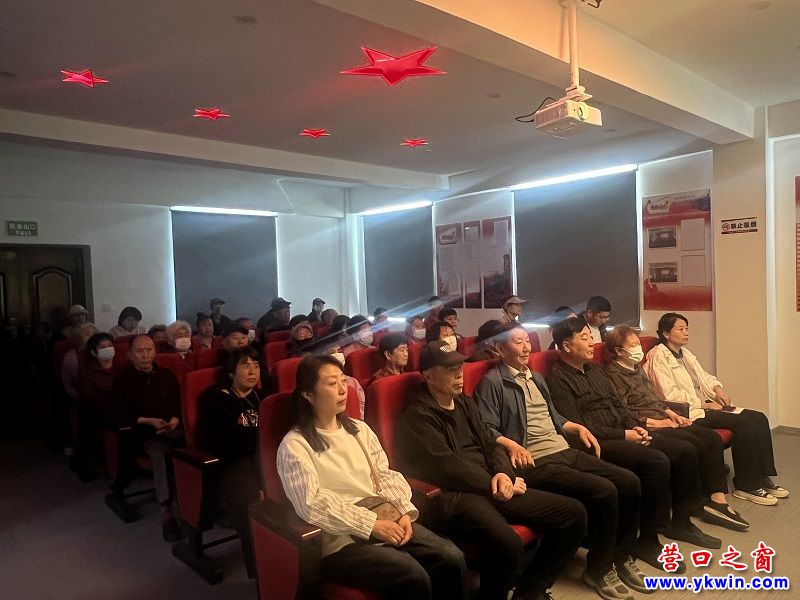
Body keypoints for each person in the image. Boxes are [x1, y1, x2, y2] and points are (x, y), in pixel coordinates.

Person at [397, 341, 588, 600]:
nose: (459, 374)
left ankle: (530, 590)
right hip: (456, 495)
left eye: (460, 367)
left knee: (573, 514)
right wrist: (492, 482)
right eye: (450, 370)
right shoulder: (417, 415)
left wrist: (503, 473)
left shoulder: (464, 402)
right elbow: (446, 467)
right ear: (429, 376)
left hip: (491, 482)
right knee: (508, 545)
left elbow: (491, 442)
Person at [475, 323, 649, 600]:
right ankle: (600, 568)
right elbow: (486, 428)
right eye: (518, 342)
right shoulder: (493, 383)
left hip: (563, 449)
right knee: (605, 491)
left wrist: (575, 426)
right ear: (499, 348)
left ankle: (621, 556)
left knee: (629, 482)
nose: (526, 347)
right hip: (536, 460)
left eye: (527, 341)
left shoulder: (535, 377)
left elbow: (553, 416)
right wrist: (512, 444)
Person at [277, 355, 467, 600]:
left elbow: (384, 474)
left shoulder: (359, 430)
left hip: (382, 517)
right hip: (339, 540)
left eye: (343, 381)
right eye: (332, 383)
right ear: (308, 394)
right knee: (412, 575)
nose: (343, 389)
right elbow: (311, 503)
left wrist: (404, 512)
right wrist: (371, 525)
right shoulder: (295, 445)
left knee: (451, 556)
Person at [548, 317, 717, 569]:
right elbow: (578, 425)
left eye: (591, 336)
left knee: (683, 450)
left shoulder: (594, 370)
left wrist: (635, 425)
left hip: (624, 430)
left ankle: (681, 521)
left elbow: (618, 404)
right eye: (584, 338)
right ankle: (648, 539)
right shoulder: (558, 378)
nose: (592, 342)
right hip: (599, 441)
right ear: (566, 346)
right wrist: (624, 435)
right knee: (655, 462)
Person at [605, 326, 749, 531]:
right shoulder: (613, 375)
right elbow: (625, 412)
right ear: (619, 351)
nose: (639, 349)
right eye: (634, 345)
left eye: (638, 343)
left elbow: (654, 399)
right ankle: (696, 504)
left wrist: (672, 414)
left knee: (710, 437)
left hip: (663, 417)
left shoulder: (636, 367)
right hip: (648, 425)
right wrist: (660, 423)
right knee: (692, 445)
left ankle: (717, 499)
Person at [645, 312, 788, 505]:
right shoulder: (658, 356)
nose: (686, 332)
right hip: (690, 412)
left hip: (704, 407)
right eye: (681, 329)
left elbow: (705, 377)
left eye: (687, 328)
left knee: (759, 418)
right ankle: (746, 485)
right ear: (666, 333)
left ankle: (761, 476)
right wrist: (704, 404)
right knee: (745, 424)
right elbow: (669, 395)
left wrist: (718, 389)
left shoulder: (685, 354)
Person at [110, 334, 183, 541]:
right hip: (143, 434)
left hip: (173, 429)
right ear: (130, 355)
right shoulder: (123, 380)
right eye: (140, 351)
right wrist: (148, 421)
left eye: (149, 350)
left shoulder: (166, 375)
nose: (145, 355)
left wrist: (175, 420)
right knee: (161, 453)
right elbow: (117, 413)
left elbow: (179, 402)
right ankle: (166, 510)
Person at [196, 346, 263, 570]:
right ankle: (256, 564)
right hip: (230, 464)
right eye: (245, 366)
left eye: (256, 366)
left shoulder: (261, 397)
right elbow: (219, 442)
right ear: (231, 372)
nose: (252, 371)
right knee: (246, 492)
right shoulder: (216, 400)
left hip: (259, 459)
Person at [72, 332, 117, 481]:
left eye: (110, 345)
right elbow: (91, 397)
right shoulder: (87, 372)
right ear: (93, 352)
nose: (108, 349)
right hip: (99, 411)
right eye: (103, 347)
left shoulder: (122, 367)